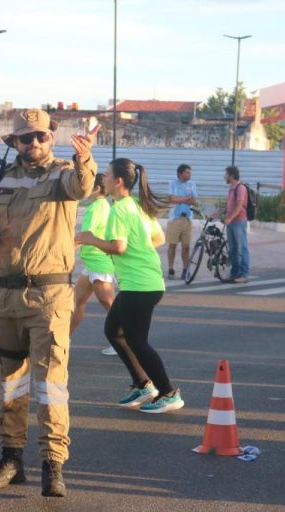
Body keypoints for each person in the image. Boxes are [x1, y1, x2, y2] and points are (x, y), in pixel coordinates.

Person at [0, 108, 99, 498]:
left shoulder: (63, 174)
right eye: (27, 138)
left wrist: (85, 156)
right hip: (4, 295)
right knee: (11, 382)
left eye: (42, 136)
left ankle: (52, 464)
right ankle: (11, 459)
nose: (35, 143)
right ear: (14, 143)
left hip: (49, 295)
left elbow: (83, 186)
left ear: (50, 139)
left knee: (51, 384)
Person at [77, 158, 184, 414]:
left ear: (118, 181)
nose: (102, 178)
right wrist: (140, 251)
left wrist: (89, 238)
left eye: (106, 174)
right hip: (143, 282)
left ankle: (168, 392)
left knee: (138, 342)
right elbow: (157, 238)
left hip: (140, 285)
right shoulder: (136, 206)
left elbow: (118, 247)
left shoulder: (120, 209)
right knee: (113, 330)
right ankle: (142, 384)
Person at [70, 173, 117, 356]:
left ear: (96, 188)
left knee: (108, 304)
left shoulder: (96, 207)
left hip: (99, 262)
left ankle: (123, 342)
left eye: (88, 185)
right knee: (76, 302)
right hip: (92, 263)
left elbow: (84, 235)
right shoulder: (104, 205)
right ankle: (62, 341)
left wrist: (64, 250)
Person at [166, 164, 197, 280]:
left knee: (186, 246)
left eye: (190, 172)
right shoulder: (173, 183)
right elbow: (172, 199)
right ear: (180, 173)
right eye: (187, 172)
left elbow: (194, 201)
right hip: (175, 219)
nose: (189, 174)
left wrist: (181, 199)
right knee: (172, 244)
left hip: (187, 218)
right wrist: (186, 199)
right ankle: (171, 268)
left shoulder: (192, 184)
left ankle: (185, 269)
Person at [220, 165, 250, 283]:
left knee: (242, 248)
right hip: (231, 222)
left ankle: (244, 274)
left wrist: (230, 218)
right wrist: (218, 213)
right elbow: (229, 205)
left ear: (231, 175)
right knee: (233, 249)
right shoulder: (232, 188)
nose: (224, 176)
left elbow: (239, 206)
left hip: (239, 222)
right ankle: (234, 273)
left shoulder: (240, 188)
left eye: (226, 174)